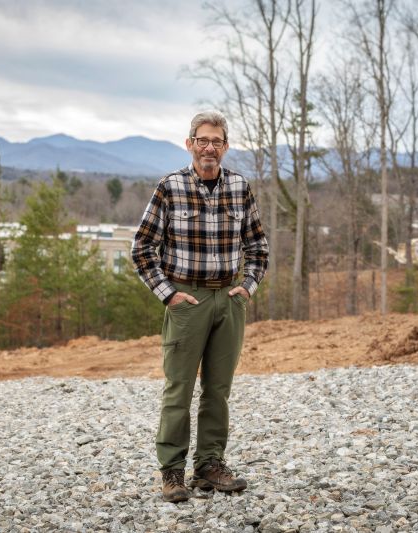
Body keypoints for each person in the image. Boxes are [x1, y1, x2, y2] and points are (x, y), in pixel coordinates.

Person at [131, 110, 269, 503]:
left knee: (217, 390)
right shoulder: (170, 187)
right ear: (189, 143)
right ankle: (172, 472)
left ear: (226, 147)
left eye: (217, 141)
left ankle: (209, 466)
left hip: (229, 299)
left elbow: (258, 247)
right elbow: (141, 247)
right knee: (179, 388)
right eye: (202, 140)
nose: (209, 147)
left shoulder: (240, 188)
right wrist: (168, 294)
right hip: (186, 299)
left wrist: (247, 287)